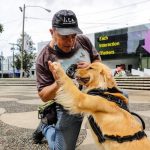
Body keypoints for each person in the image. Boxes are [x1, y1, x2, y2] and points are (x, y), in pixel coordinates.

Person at [33, 9, 101, 150]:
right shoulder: (44, 58)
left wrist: (92, 67)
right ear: (52, 32)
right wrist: (59, 82)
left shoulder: (84, 41)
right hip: (69, 103)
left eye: (73, 36)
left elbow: (98, 60)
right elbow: (44, 96)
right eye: (64, 36)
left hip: (92, 94)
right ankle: (46, 127)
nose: (70, 42)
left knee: (121, 97)